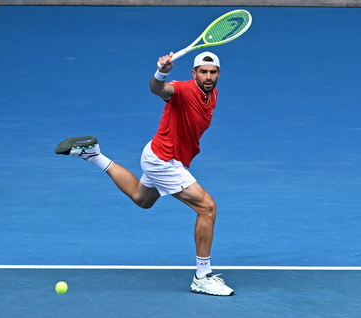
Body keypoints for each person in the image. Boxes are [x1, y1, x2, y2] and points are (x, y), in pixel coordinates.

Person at [56, 51, 233, 296]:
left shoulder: (212, 94)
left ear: (219, 74)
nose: (208, 76)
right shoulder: (182, 90)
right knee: (207, 208)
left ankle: (93, 154)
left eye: (213, 72)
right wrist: (162, 71)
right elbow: (158, 88)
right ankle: (202, 276)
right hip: (164, 160)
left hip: (156, 153)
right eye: (203, 71)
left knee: (142, 199)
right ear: (194, 73)